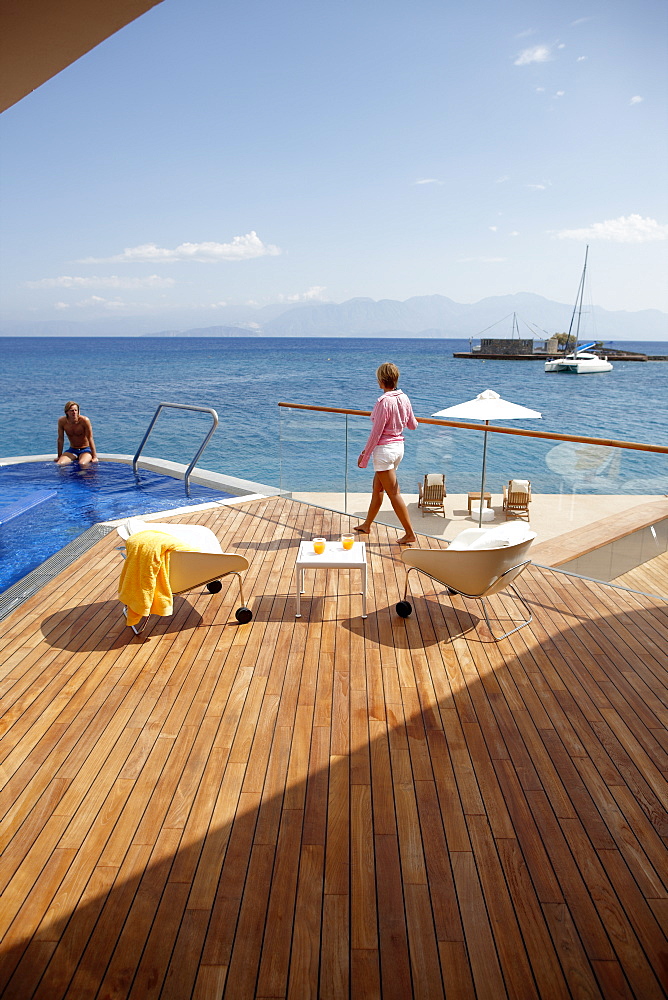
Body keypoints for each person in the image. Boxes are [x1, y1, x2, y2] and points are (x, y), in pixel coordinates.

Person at [355, 362, 418, 545]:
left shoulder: (383, 402)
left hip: (384, 451)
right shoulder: (404, 397)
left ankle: (409, 533)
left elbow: (376, 432)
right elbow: (413, 425)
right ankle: (367, 524)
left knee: (394, 493)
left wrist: (365, 454)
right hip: (399, 448)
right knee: (378, 488)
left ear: (381, 381)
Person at [55, 401, 98, 467]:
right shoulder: (62, 421)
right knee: (60, 464)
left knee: (82, 464)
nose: (74, 412)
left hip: (85, 449)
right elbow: (60, 439)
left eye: (76, 410)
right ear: (66, 412)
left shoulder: (84, 421)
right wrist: (59, 456)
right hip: (72, 450)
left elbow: (90, 438)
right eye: (71, 410)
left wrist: (94, 457)